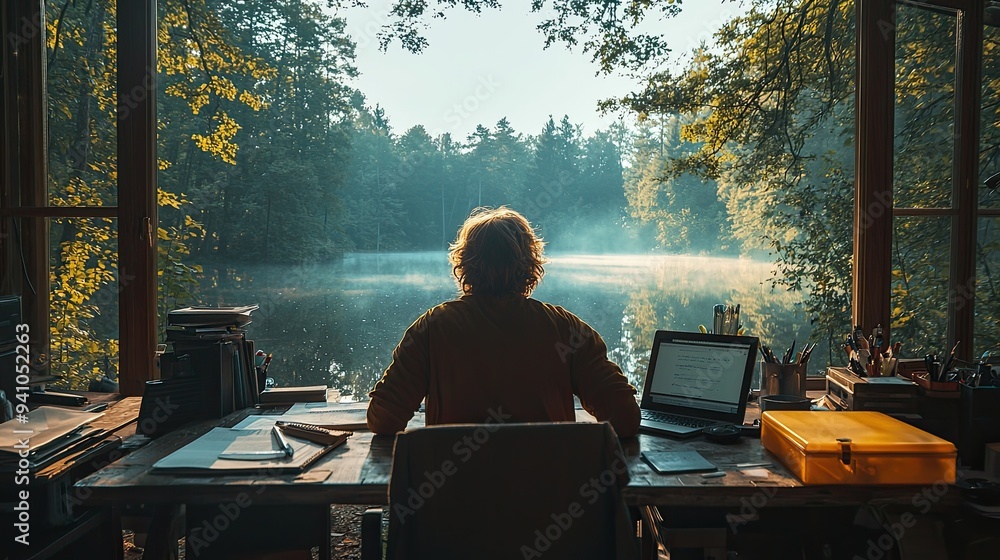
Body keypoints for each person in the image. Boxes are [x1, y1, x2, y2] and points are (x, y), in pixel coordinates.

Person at [366, 206, 641, 437]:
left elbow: (383, 420)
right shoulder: (567, 329)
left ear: (464, 265)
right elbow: (626, 418)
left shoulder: (432, 328)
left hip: (454, 496)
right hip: (549, 497)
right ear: (531, 265)